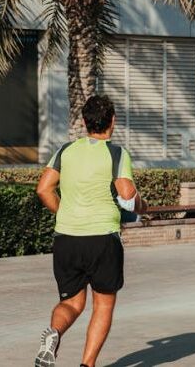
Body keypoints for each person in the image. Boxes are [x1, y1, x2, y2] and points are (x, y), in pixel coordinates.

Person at [34, 95, 147, 367]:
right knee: (103, 305)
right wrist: (142, 206)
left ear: (84, 122)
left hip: (66, 239)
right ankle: (87, 364)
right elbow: (127, 193)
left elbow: (43, 189)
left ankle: (54, 334)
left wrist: (63, 213)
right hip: (102, 239)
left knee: (71, 304)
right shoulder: (117, 153)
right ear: (113, 121)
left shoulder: (65, 151)